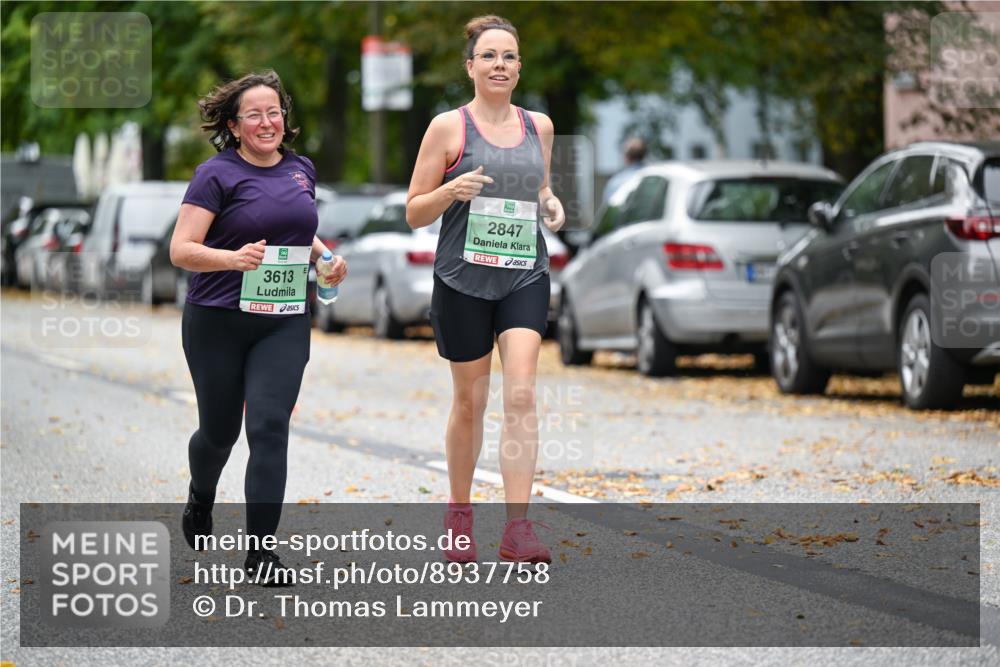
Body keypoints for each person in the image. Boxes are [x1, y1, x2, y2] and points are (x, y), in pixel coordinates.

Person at [170, 70, 346, 584]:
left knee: (269, 427)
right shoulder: (215, 175)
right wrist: (232, 259)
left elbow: (300, 231)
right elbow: (181, 250)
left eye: (274, 112)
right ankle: (201, 497)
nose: (268, 122)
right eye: (255, 114)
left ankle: (261, 553)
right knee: (220, 432)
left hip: (283, 321)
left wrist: (327, 259)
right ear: (235, 124)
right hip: (217, 320)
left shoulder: (301, 170)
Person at [406, 15, 565, 564]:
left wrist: (551, 202)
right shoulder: (448, 128)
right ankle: (459, 512)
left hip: (524, 272)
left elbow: (539, 187)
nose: (501, 65)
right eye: (490, 56)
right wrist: (451, 189)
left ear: (520, 68)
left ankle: (518, 528)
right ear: (470, 66)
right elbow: (413, 211)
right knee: (471, 401)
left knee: (520, 393)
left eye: (510, 57)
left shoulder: (538, 126)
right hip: (462, 277)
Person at [601, 136, 647, 205]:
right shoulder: (654, 179)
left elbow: (609, 207)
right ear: (643, 155)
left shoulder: (616, 182)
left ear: (626, 157)